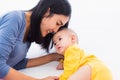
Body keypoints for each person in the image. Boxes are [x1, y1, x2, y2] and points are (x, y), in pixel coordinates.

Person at [0, 0, 71, 80]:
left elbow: (14, 64)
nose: (55, 30)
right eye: (57, 23)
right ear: (46, 12)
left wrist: (53, 57)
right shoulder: (14, 19)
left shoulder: (30, 30)